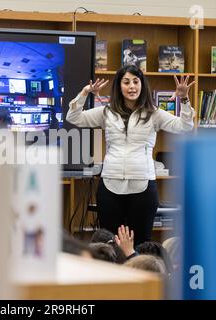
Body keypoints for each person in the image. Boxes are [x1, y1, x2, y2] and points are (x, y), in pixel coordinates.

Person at [66, 64, 195, 245]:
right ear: (119, 86)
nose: (131, 86)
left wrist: (185, 100)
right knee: (110, 243)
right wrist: (85, 92)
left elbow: (185, 126)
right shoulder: (106, 112)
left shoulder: (154, 114)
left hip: (142, 184)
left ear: (142, 85)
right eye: (126, 82)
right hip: (110, 184)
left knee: (141, 242)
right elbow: (73, 117)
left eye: (136, 81)